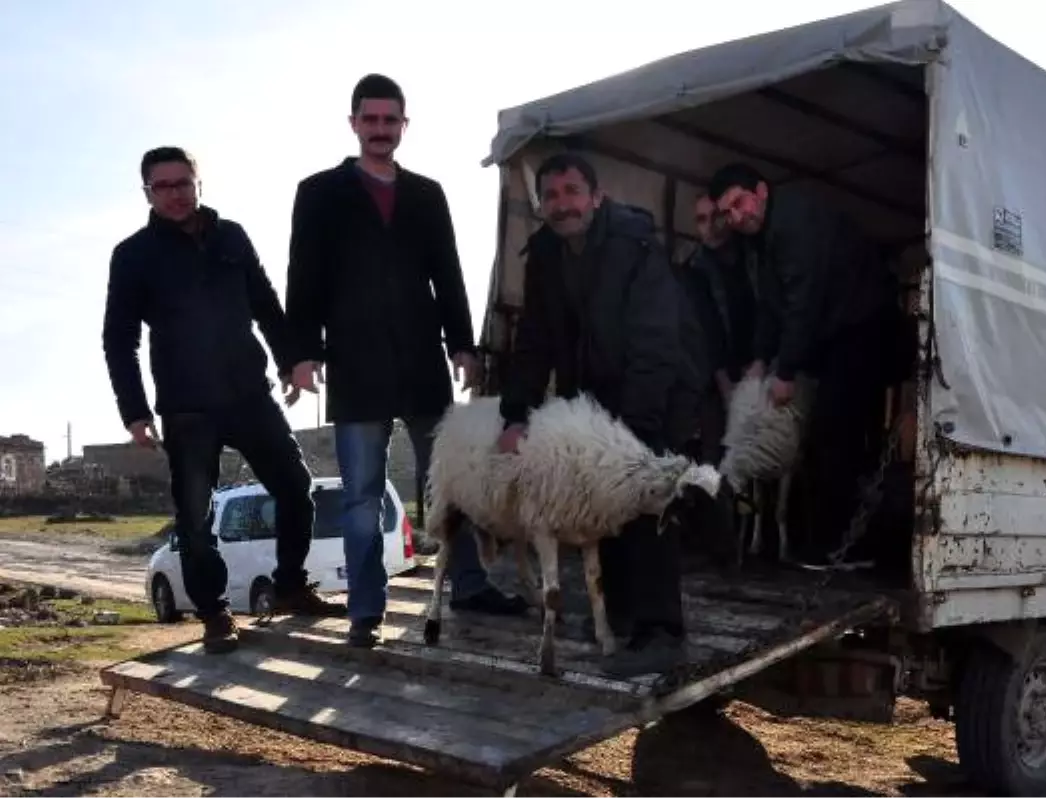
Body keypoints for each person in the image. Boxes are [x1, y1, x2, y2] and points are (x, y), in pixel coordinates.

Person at [285, 73, 528, 649]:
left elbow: (447, 271)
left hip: (421, 361)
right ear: (353, 124)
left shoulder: (427, 194)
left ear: (403, 125)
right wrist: (299, 353)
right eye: (369, 120)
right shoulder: (319, 192)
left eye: (389, 121)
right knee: (363, 495)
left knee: (451, 481)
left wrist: (462, 345)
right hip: (355, 364)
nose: (379, 130)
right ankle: (366, 610)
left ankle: (469, 583)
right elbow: (304, 275)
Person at [102, 146, 343, 656]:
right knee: (195, 516)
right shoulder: (133, 255)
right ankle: (214, 614)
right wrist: (135, 412)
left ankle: (292, 585)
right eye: (162, 186)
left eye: (182, 182)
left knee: (296, 486)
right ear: (146, 192)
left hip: (248, 393)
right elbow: (119, 339)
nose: (174, 193)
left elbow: (266, 304)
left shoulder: (231, 236)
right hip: (187, 406)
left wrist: (289, 361)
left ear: (198, 183)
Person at [497, 152, 697, 677]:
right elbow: (534, 341)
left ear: (596, 197)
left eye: (572, 192)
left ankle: (662, 633)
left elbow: (656, 339)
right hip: (595, 399)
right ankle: (625, 616)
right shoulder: (543, 255)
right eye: (553, 196)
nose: (563, 205)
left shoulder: (635, 248)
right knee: (604, 502)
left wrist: (633, 428)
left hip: (656, 390)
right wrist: (515, 413)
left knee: (650, 500)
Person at [707, 162, 907, 566]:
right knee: (832, 433)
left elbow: (804, 302)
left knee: (834, 432)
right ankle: (833, 540)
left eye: (739, 203)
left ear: (760, 192)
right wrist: (762, 357)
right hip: (839, 334)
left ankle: (844, 546)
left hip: (863, 328)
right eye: (727, 212)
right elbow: (771, 305)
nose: (736, 216)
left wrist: (784, 372)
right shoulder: (762, 241)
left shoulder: (793, 224)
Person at [678, 192, 760, 465]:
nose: (710, 226)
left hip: (762, 367)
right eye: (701, 220)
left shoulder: (755, 259)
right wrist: (726, 386)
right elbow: (705, 335)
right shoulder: (693, 271)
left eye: (715, 217)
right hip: (715, 377)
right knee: (719, 452)